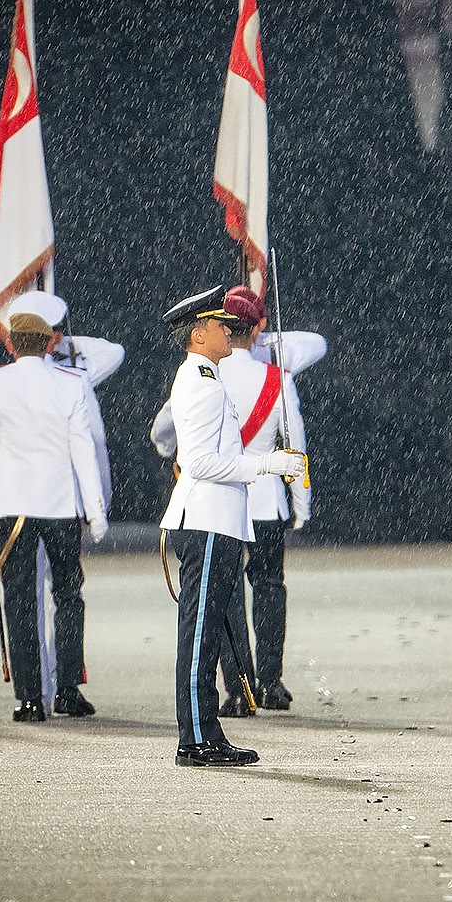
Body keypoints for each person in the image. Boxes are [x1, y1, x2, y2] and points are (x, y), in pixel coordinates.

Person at [158, 286, 307, 768]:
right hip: (205, 519)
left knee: (205, 630)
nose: (229, 330)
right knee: (200, 634)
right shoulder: (199, 382)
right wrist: (266, 465)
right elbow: (200, 462)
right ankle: (195, 739)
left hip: (216, 520)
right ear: (198, 333)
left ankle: (207, 734)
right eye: (220, 324)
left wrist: (266, 461)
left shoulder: (208, 376)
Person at [0, 310, 109, 722]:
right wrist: (95, 511)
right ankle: (69, 690)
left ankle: (28, 698)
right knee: (68, 596)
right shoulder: (71, 383)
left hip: (14, 507)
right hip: (60, 505)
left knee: (20, 600)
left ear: (10, 343)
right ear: (49, 343)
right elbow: (84, 451)